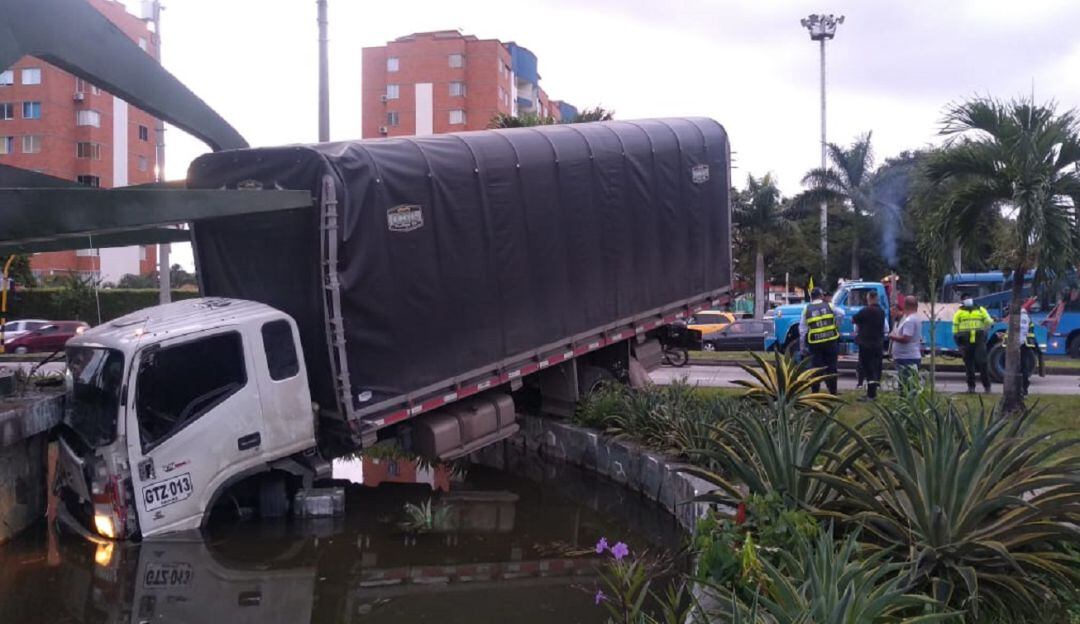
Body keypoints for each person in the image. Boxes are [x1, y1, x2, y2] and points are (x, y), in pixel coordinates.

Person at [799, 287, 843, 395]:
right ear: (821, 296)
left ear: (811, 297)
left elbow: (802, 330)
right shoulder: (829, 305)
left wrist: (802, 347)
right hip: (830, 341)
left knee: (816, 368)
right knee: (832, 366)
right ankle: (833, 392)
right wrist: (835, 326)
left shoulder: (806, 309)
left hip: (815, 343)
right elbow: (841, 314)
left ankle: (815, 392)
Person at [852, 290, 889, 400]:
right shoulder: (881, 312)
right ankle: (873, 391)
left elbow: (853, 320)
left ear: (869, 298)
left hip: (866, 344)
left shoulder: (865, 311)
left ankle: (871, 394)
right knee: (875, 368)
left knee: (868, 369)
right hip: (878, 344)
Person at [952, 297, 993, 393]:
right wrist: (958, 342)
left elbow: (988, 321)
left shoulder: (981, 309)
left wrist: (986, 331)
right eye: (965, 299)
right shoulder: (959, 313)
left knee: (982, 363)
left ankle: (987, 386)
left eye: (968, 298)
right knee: (969, 365)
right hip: (966, 342)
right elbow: (955, 328)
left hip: (979, 341)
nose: (967, 300)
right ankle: (971, 387)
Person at [890, 295, 923, 388]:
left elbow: (906, 338)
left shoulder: (910, 320)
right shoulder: (914, 318)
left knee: (906, 385)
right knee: (906, 384)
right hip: (906, 356)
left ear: (905, 305)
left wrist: (892, 337)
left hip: (907, 358)